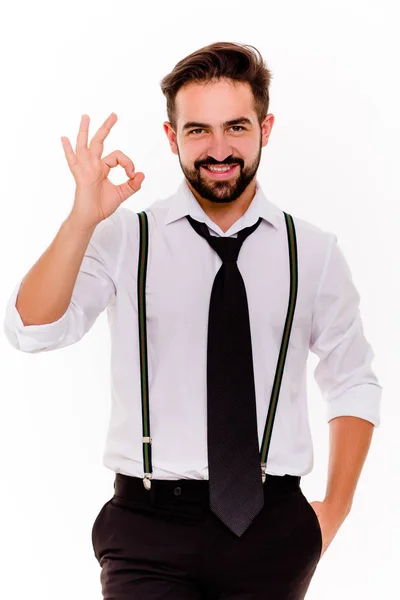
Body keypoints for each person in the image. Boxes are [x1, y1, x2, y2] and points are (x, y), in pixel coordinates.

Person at [3, 41, 382, 599]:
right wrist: (82, 217)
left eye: (236, 127)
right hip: (147, 526)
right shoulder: (127, 237)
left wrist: (335, 510)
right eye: (198, 130)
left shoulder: (314, 252)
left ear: (265, 127)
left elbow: (353, 381)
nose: (219, 148)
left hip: (272, 525)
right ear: (171, 136)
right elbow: (30, 329)